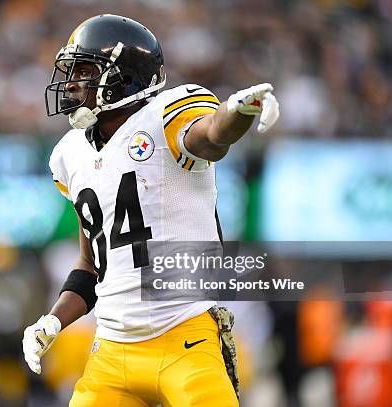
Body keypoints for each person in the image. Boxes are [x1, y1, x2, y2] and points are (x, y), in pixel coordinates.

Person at [23, 14, 279, 407]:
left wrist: (238, 111)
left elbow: (212, 135)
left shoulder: (164, 117)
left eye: (86, 71)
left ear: (123, 78)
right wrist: (54, 320)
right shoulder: (69, 155)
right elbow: (91, 265)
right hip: (111, 351)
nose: (72, 84)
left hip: (185, 339)